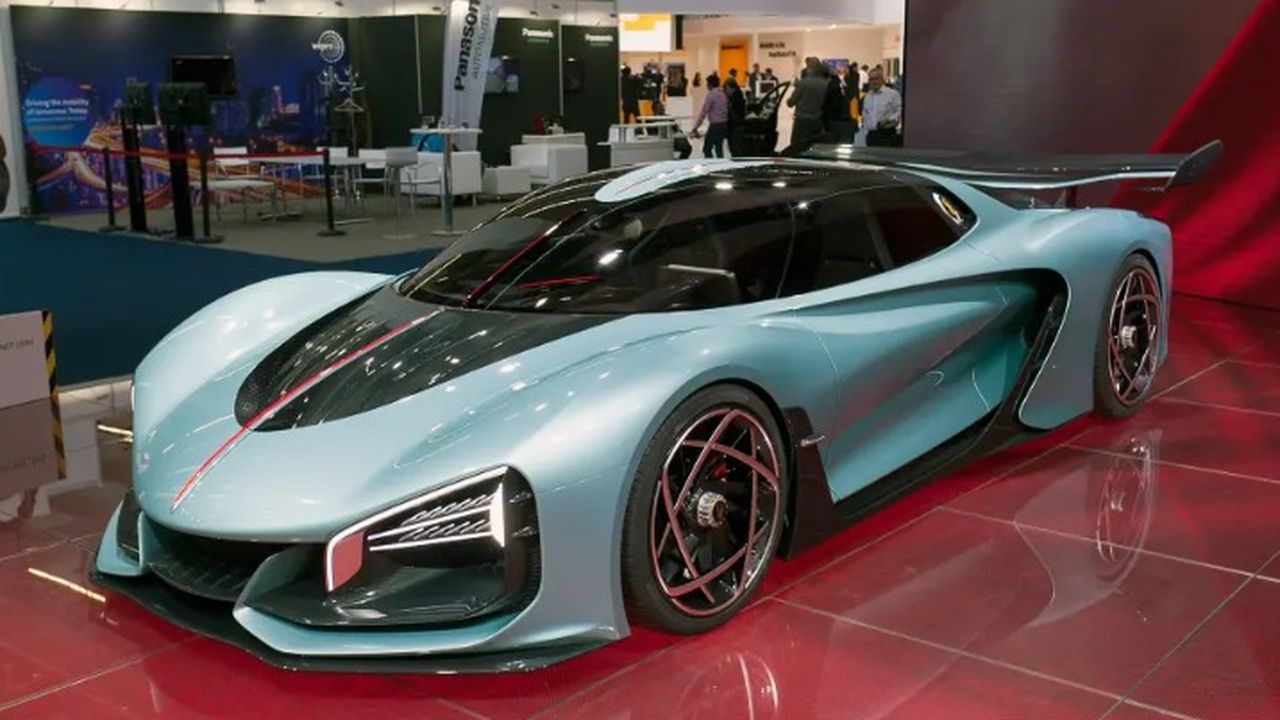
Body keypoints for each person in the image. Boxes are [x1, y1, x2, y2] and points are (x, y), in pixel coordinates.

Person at [787, 57, 829, 148]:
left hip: (802, 122)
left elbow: (790, 103)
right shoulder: (826, 83)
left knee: (798, 147)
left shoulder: (803, 83)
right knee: (816, 147)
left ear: (808, 68)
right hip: (818, 121)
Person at [856, 66, 902, 146]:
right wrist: (866, 130)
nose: (874, 82)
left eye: (876, 79)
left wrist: (889, 120)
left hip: (887, 135)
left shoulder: (892, 94)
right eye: (871, 79)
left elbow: (899, 111)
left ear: (882, 79)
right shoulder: (867, 96)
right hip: (871, 136)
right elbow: (865, 114)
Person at [691, 73, 729, 158]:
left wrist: (695, 127)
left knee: (707, 148)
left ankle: (710, 163)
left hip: (715, 125)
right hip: (724, 124)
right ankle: (720, 164)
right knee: (719, 148)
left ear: (710, 84)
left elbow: (703, 112)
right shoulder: (723, 94)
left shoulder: (711, 95)